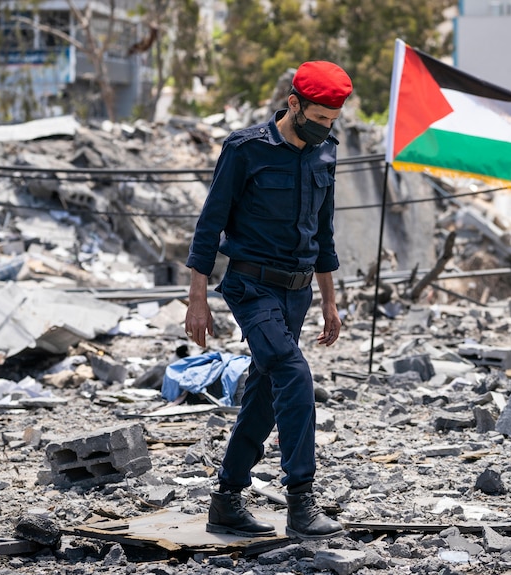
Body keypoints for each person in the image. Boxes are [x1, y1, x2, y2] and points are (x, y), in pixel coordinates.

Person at [183, 61, 353, 540]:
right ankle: (301, 500)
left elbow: (324, 235)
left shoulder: (326, 155)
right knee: (294, 374)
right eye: (317, 119)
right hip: (250, 287)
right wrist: (197, 299)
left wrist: (330, 302)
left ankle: (226, 500)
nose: (323, 130)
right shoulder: (245, 149)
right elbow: (209, 224)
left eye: (332, 122)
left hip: (297, 292)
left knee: (263, 392)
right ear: (294, 103)